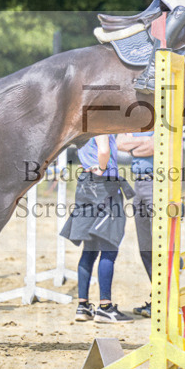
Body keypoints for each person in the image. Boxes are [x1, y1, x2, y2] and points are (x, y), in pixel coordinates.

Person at [61, 134, 133, 323]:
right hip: (104, 186)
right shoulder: (101, 123)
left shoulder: (82, 127)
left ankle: (83, 306)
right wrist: (101, 167)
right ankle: (105, 307)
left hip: (86, 183)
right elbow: (103, 150)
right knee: (109, 249)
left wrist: (88, 164)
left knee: (89, 250)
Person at [117, 131, 155, 317]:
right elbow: (120, 143)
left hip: (159, 182)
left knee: (161, 245)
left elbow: (154, 146)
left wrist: (134, 145)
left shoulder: (164, 117)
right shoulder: (136, 121)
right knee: (145, 247)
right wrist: (144, 142)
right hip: (139, 184)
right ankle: (157, 295)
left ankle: (165, 296)